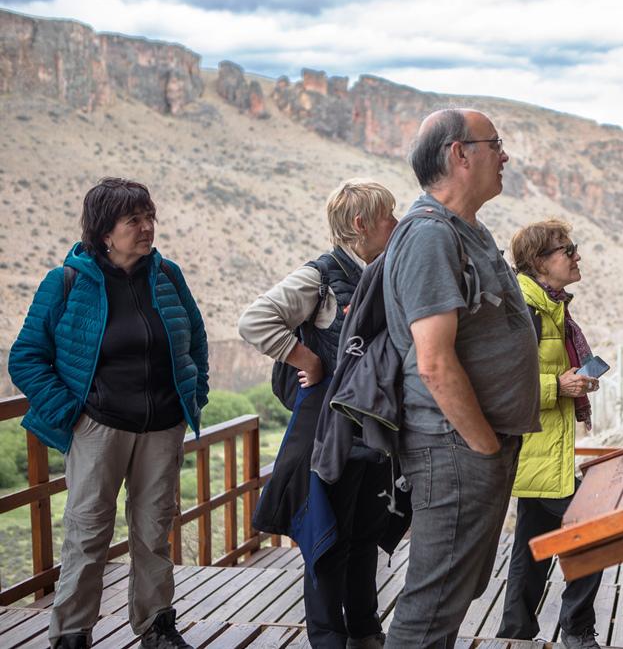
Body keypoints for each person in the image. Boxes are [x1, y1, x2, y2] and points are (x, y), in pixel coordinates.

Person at [8, 177, 208, 649]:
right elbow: (26, 358)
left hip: (162, 426)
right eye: (133, 220)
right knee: (88, 532)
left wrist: (192, 397)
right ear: (104, 233)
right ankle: (72, 634)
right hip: (98, 427)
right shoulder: (67, 282)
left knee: (154, 530)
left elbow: (195, 341)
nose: (146, 228)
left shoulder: (167, 276)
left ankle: (156, 626)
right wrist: (73, 415)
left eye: (149, 217)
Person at [382, 108, 541, 648]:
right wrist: (482, 446)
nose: (504, 156)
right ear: (459, 153)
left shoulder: (467, 230)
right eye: (494, 143)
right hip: (454, 448)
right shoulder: (429, 236)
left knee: (453, 592)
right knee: (431, 604)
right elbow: (433, 361)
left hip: (474, 447)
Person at [238, 178, 398, 649]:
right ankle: (329, 639)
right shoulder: (320, 277)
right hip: (330, 433)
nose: (395, 223)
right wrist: (304, 358)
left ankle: (365, 629)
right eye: (387, 215)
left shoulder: (380, 272)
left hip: (370, 429)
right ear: (360, 223)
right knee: (328, 536)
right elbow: (254, 320)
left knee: (365, 531)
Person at [498, 219, 604, 649]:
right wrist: (557, 387)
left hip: (545, 446)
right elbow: (500, 382)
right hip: (536, 445)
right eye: (568, 249)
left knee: (531, 544)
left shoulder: (550, 304)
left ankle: (515, 633)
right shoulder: (526, 309)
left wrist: (574, 380)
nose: (577, 256)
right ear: (541, 262)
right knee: (595, 527)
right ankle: (576, 629)